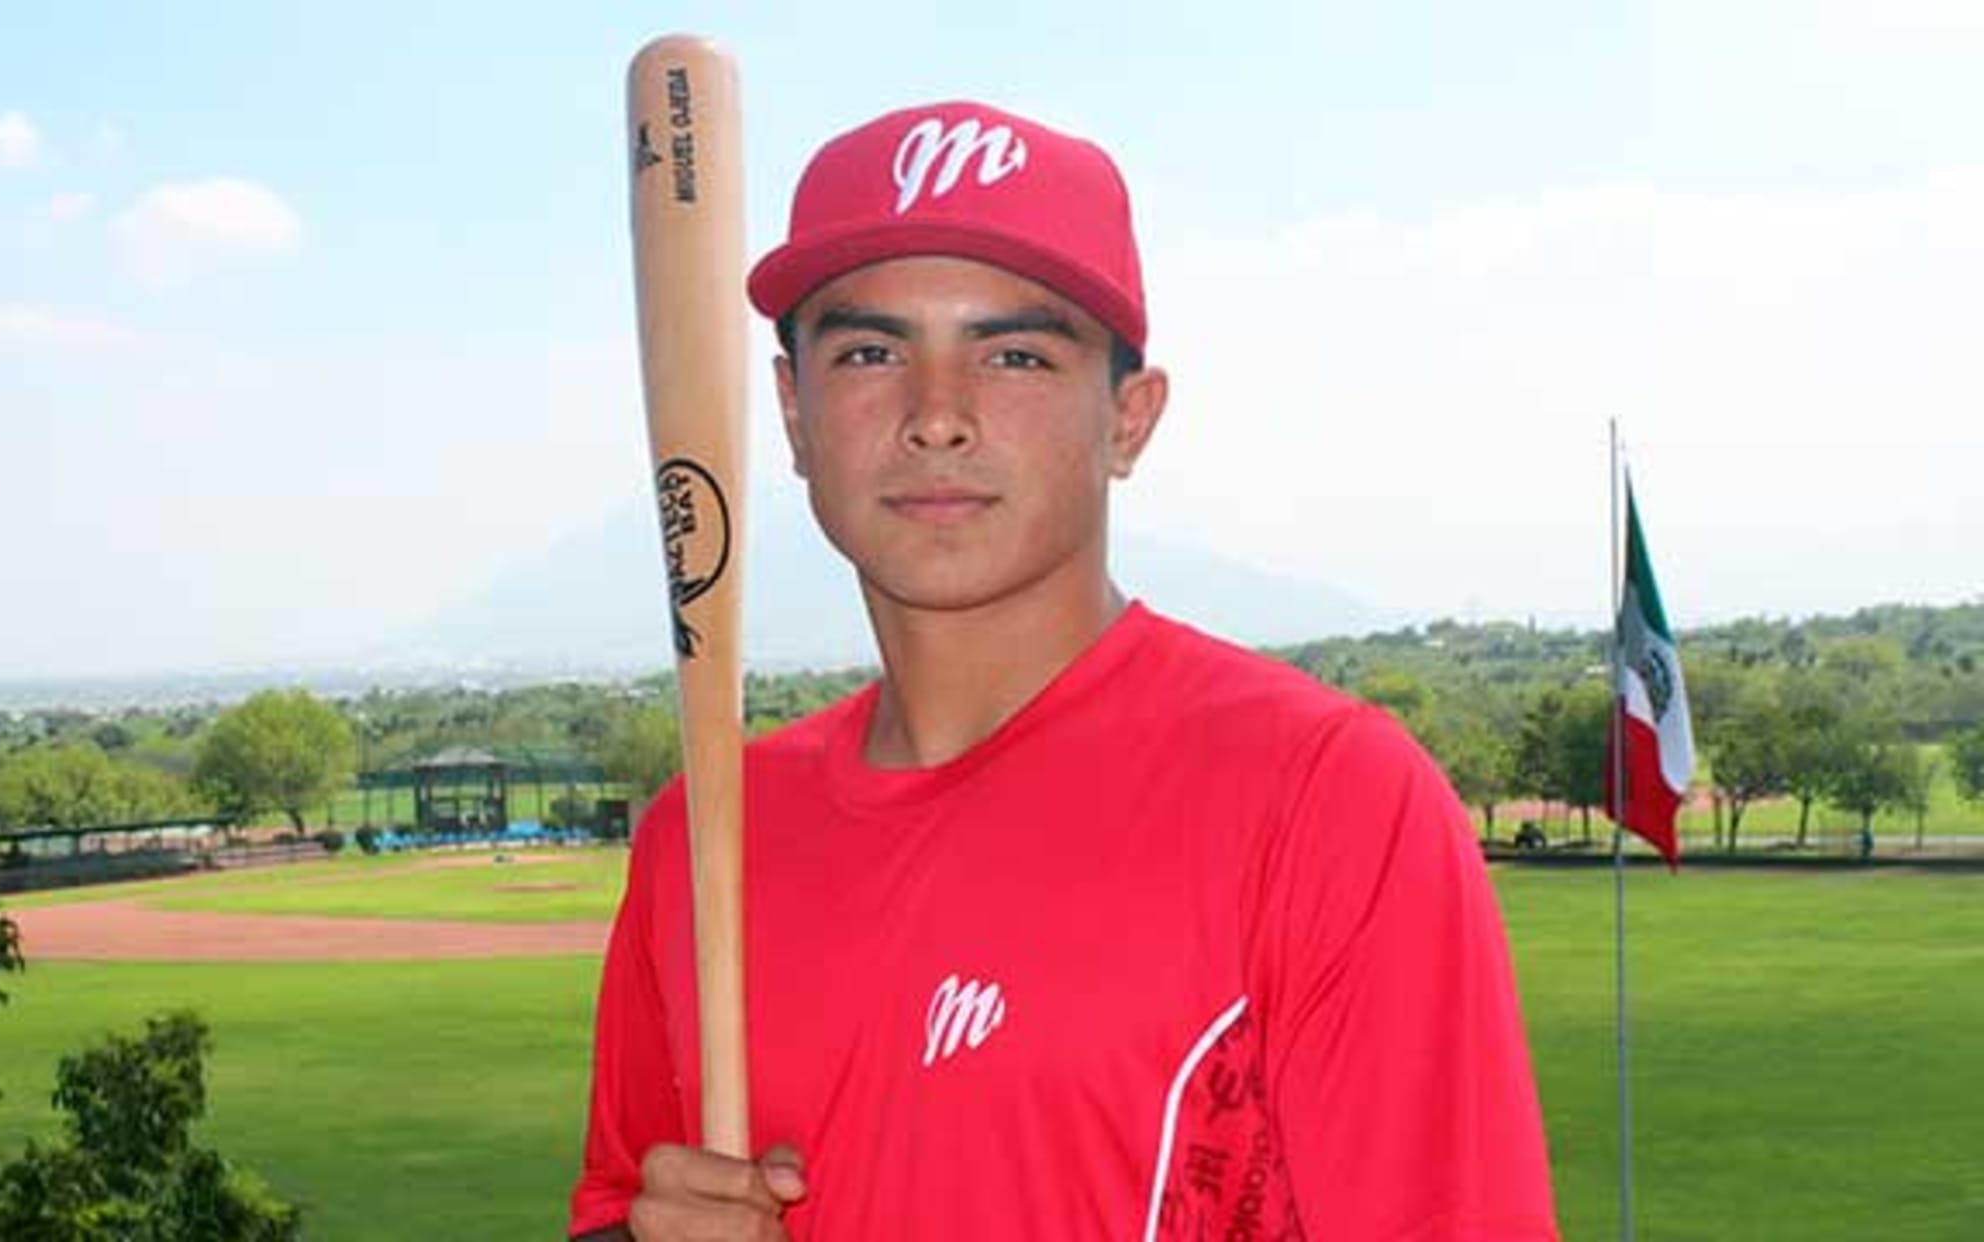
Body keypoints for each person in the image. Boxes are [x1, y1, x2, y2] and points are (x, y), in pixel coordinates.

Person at [570, 100, 1559, 1241]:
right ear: (793, 414)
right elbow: (618, 1203)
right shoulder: (704, 838)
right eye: (871, 352)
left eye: (1016, 356)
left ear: (1129, 419)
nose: (937, 416)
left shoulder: (1328, 800)